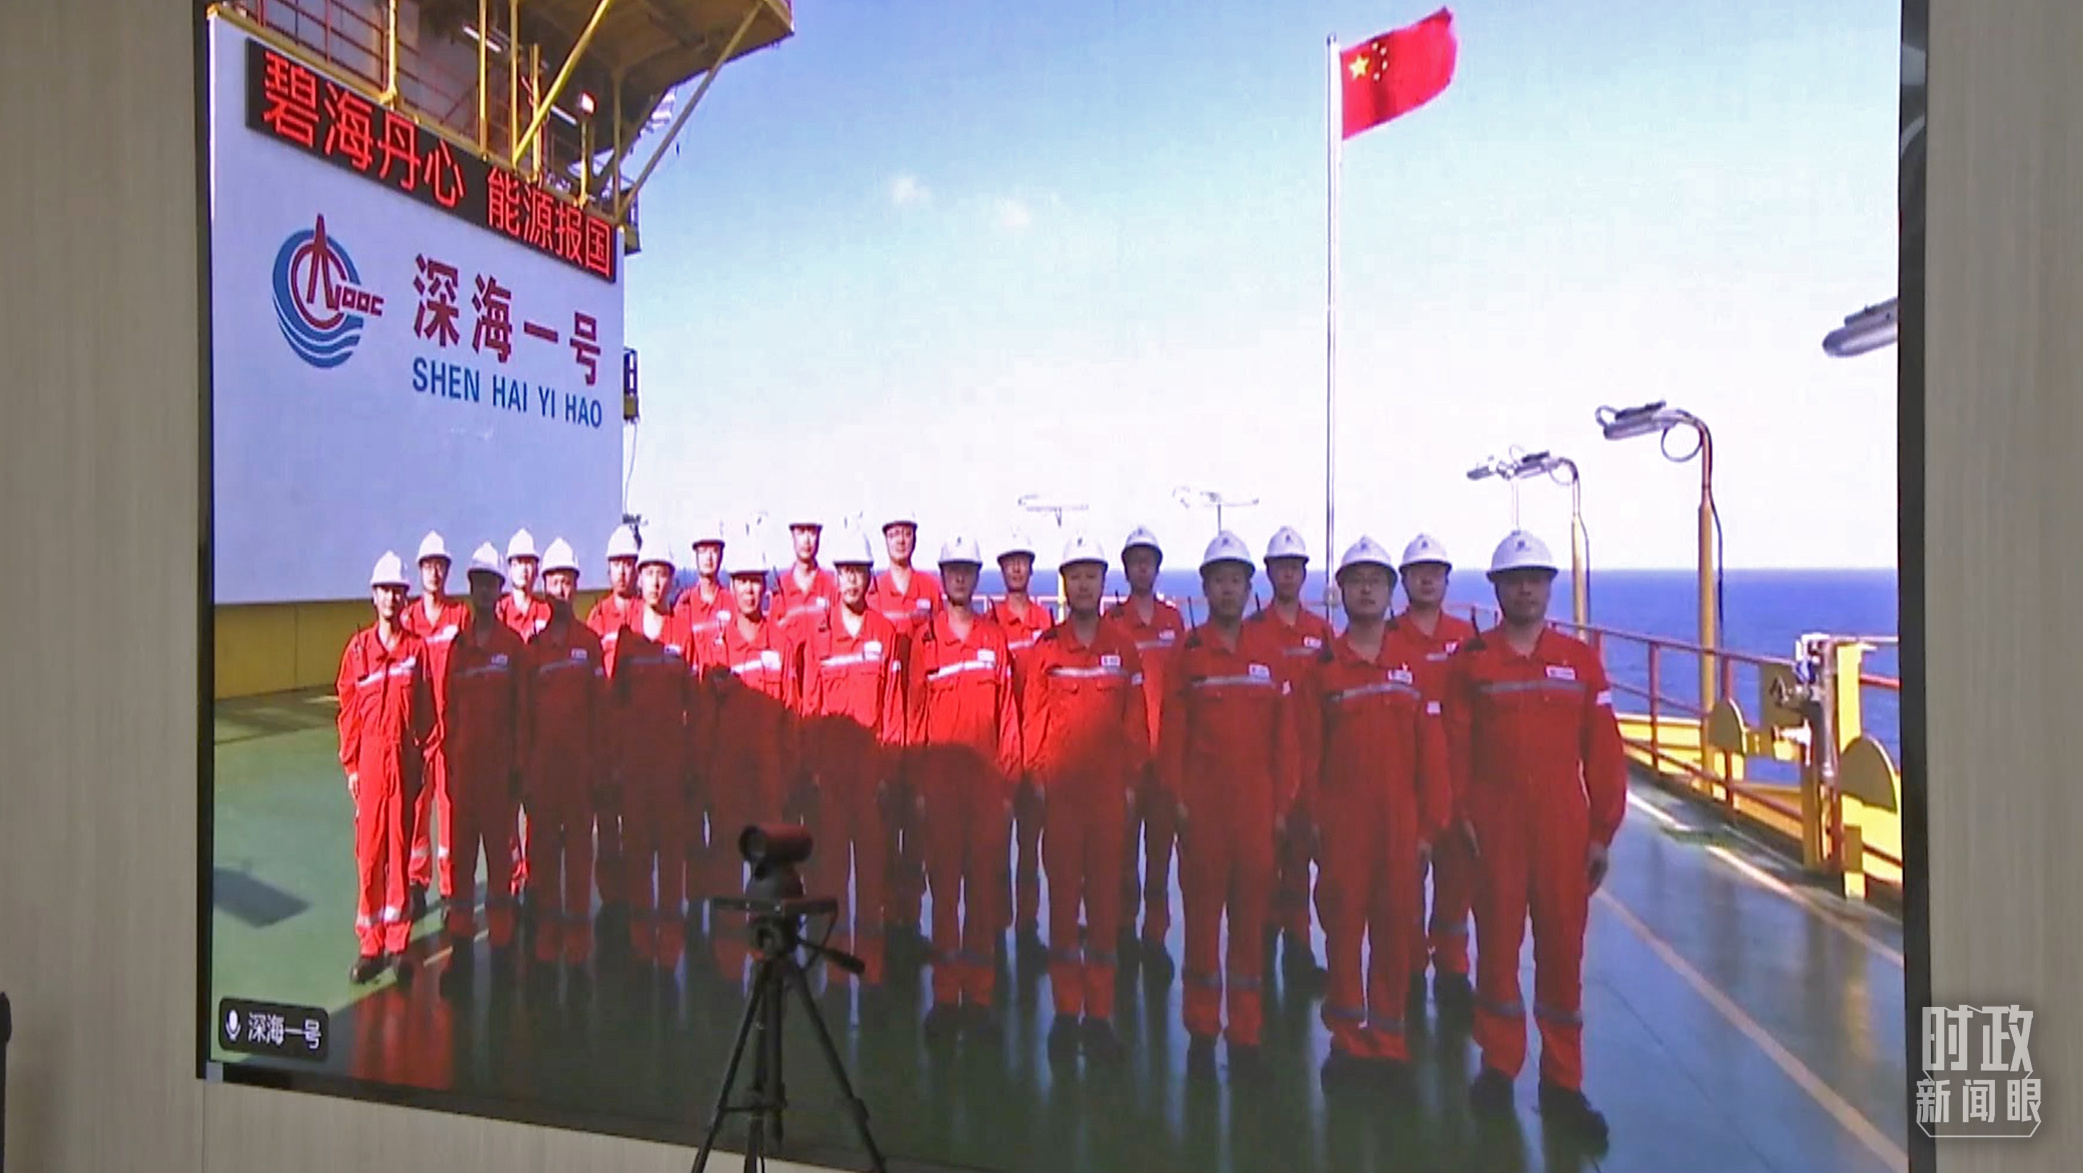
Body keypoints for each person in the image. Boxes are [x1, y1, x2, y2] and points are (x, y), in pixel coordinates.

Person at [1448, 530, 1624, 1144]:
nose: (1525, 589)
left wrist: (1601, 830)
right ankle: (1498, 1066)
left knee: (1562, 955)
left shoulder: (1580, 661)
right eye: (1514, 580)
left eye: (1535, 579)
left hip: (1562, 828)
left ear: (1549, 587)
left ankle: (1562, 1083)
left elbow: (1604, 751)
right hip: (1494, 825)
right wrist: (1460, 812)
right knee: (1497, 948)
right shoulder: (1471, 662)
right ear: (1496, 589)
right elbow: (1453, 746)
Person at [1296, 536, 1449, 1087]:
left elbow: (1432, 753)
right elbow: (1306, 753)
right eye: (1356, 581)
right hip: (1342, 827)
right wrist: (1314, 821)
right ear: (1340, 591)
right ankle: (1346, 1040)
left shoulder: (1413, 667)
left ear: (1390, 591)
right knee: (1342, 931)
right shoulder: (1323, 669)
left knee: (1394, 931)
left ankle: (1388, 1040)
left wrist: (1429, 827)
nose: (1366, 590)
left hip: (1400, 826)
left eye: (1376, 581)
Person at [1157, 531, 1300, 1075]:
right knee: (1201, 928)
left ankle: (1245, 1035)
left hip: (1256, 816)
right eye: (1219, 580)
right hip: (1203, 816)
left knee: (1249, 929)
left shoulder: (1269, 654)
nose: (1228, 589)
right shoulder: (1188, 654)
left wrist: (1281, 807)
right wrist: (1177, 799)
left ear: (1248, 586)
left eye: (1236, 580)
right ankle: (1201, 1031)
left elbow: (1285, 740)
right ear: (1206, 586)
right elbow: (1172, 732)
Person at [1022, 533, 1146, 1062]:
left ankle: (1099, 1014)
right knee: (1063, 907)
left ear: (1102, 581)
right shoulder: (1046, 650)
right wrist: (1037, 778)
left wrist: (1131, 785)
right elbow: (1033, 718)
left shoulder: (1124, 648)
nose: (1084, 585)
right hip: (1063, 801)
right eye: (1075, 576)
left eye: (1091, 575)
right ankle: (1066, 1011)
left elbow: (1136, 725)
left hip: (1108, 801)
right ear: (1064, 584)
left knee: (1103, 909)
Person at [906, 534, 1022, 1038]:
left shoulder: (994, 641)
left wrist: (1009, 782)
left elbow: (1009, 716)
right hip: (940, 790)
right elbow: (913, 716)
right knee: (944, 896)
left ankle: (979, 996)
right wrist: (916, 785)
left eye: (966, 570)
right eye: (951, 569)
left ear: (976, 577)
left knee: (982, 896)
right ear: (943, 576)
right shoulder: (924, 642)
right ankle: (945, 996)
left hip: (986, 790)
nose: (959, 577)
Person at [799, 525, 906, 988]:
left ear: (868, 577)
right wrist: (814, 771)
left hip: (871, 779)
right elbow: (809, 708)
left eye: (859, 572)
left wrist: (887, 772)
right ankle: (838, 977)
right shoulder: (818, 636)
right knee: (832, 875)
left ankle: (873, 971)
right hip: (831, 779)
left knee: (872, 877)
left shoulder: (885, 633)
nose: (851, 581)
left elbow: (894, 709)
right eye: (844, 572)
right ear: (836, 577)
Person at [699, 536, 802, 981]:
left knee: (768, 877)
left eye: (755, 581)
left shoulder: (781, 643)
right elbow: (704, 721)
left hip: (769, 782)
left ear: (764, 587)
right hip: (727, 785)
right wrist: (705, 778)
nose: (748, 590)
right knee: (725, 871)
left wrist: (791, 776)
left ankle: (766, 962)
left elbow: (793, 712)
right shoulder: (716, 648)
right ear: (732, 586)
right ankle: (726, 968)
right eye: (741, 581)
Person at [335, 550, 437, 983]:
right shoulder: (358, 652)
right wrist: (352, 766)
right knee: (370, 856)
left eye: (397, 591)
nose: (391, 598)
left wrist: (423, 759)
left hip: (404, 764)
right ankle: (370, 945)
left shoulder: (416, 650)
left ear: (404, 596)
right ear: (373, 596)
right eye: (384, 590)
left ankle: (398, 943)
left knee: (399, 853)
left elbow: (427, 708)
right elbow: (348, 712)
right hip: (372, 765)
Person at [437, 543, 531, 993]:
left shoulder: (512, 648)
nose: (485, 592)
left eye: (492, 585)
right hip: (465, 780)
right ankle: (460, 952)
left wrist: (517, 767)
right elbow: (448, 713)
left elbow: (523, 713)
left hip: (499, 780)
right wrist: (452, 767)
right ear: (471, 589)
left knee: (499, 868)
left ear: (499, 590)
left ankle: (502, 950)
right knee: (461, 870)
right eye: (478, 584)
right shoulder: (457, 650)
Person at [1396, 532, 1481, 1018]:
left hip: (1460, 775)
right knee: (1406, 882)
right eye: (1418, 573)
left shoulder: (1467, 638)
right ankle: (1409, 970)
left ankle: (1452, 969)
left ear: (1447, 580)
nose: (1427, 580)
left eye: (1435, 572)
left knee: (1457, 880)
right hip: (1406, 780)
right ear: (1404, 580)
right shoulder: (1388, 637)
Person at [519, 538, 609, 980]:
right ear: (544, 587)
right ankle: (546, 942)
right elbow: (524, 717)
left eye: (567, 581)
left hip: (579, 774)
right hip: (543, 775)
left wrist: (600, 767)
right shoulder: (532, 650)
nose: (560, 589)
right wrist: (525, 773)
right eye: (553, 581)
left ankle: (577, 948)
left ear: (575, 585)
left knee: (577, 861)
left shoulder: (589, 644)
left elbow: (600, 711)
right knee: (543, 859)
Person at [612, 541, 703, 976]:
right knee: (637, 856)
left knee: (670, 858)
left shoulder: (683, 633)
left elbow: (694, 703)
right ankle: (638, 945)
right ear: (639, 578)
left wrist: (690, 764)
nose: (654, 581)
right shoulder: (626, 637)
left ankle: (668, 950)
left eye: (662, 573)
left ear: (670, 580)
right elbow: (615, 702)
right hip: (635, 767)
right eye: (648, 573)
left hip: (670, 769)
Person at [1249, 525, 1334, 983]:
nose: (1287, 574)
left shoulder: (1321, 633)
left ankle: (1298, 954)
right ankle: (1261, 951)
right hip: (1262, 766)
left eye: (1294, 567)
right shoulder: (1251, 632)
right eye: (1280, 567)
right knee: (1264, 863)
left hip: (1311, 762)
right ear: (1269, 573)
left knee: (1300, 861)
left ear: (1303, 574)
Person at [1109, 525, 1186, 974]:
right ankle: (1122, 931)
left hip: (1166, 759)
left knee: (1159, 857)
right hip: (1126, 762)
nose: (1142, 568)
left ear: (1157, 568)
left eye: (1148, 561)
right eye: (1135, 561)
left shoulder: (1173, 622)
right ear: (1127, 569)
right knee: (1122, 856)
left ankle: (1154, 937)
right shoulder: (1113, 623)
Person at [990, 532, 1055, 951]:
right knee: (997, 848)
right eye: (1009, 562)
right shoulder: (990, 622)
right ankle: (997, 928)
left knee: (1030, 849)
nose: (1016, 568)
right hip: (1000, 751)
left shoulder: (1045, 622)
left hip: (1036, 747)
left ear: (1031, 568)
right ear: (1001, 569)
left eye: (1023, 561)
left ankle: (1028, 930)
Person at [403, 530, 468, 916]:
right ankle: (416, 882)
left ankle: (449, 887)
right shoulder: (407, 619)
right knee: (417, 809)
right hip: (418, 735)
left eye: (440, 566)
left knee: (449, 808)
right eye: (428, 565)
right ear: (420, 570)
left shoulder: (459, 617)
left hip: (452, 733)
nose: (434, 572)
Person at [585, 523, 645, 939]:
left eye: (629, 563)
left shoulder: (649, 616)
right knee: (607, 824)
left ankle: (637, 895)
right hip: (605, 740)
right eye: (617, 564)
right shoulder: (596, 619)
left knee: (638, 824)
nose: (623, 571)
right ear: (607, 569)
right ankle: (611, 900)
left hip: (639, 741)